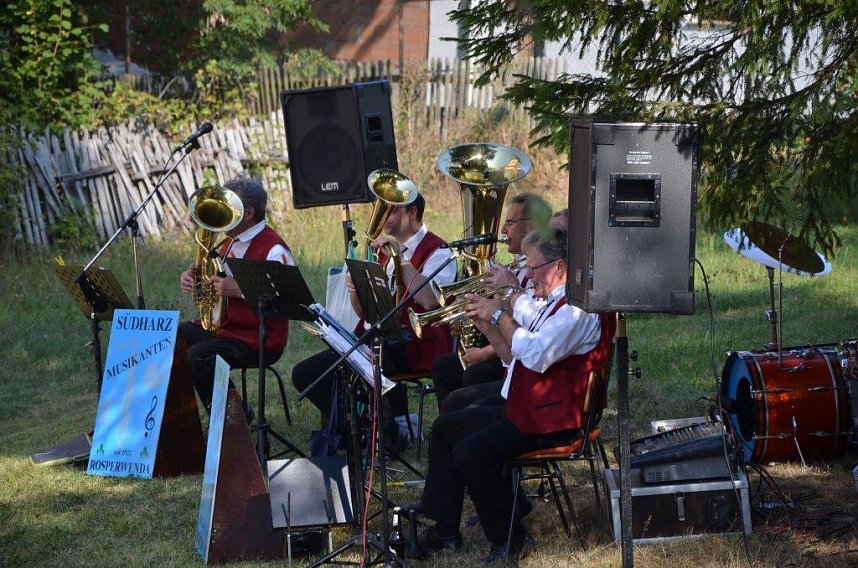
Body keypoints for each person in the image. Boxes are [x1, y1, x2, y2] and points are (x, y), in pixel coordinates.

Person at [413, 227, 616, 563]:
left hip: (555, 419)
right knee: (446, 428)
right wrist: (490, 326)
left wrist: (499, 312)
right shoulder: (553, 302)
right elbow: (514, 360)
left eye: (533, 268)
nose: (528, 276)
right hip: (532, 408)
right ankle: (444, 528)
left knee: (471, 453)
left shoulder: (579, 309)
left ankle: (512, 540)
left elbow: (535, 354)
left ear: (560, 266)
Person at [291, 193, 456, 447]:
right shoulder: (382, 252)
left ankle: (383, 431)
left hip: (417, 345)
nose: (384, 215)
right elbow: (366, 316)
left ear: (412, 213)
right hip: (382, 340)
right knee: (306, 373)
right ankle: (367, 432)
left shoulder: (439, 251)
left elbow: (431, 300)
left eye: (392, 210)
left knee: (356, 366)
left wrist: (401, 258)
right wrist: (357, 293)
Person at [179, 177, 294, 417]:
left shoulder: (274, 249)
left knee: (198, 358)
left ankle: (235, 419)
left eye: (229, 208)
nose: (221, 214)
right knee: (174, 338)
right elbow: (215, 283)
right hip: (228, 330)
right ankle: (180, 421)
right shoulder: (228, 244)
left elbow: (284, 299)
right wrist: (195, 278)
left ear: (249, 212)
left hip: (259, 338)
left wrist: (239, 290)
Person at [430, 193, 551, 409]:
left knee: (472, 378)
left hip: (522, 362)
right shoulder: (519, 266)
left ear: (531, 227)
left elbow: (527, 331)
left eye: (509, 223)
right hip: (510, 353)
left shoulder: (540, 274)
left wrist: (484, 353)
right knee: (444, 366)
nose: (503, 230)